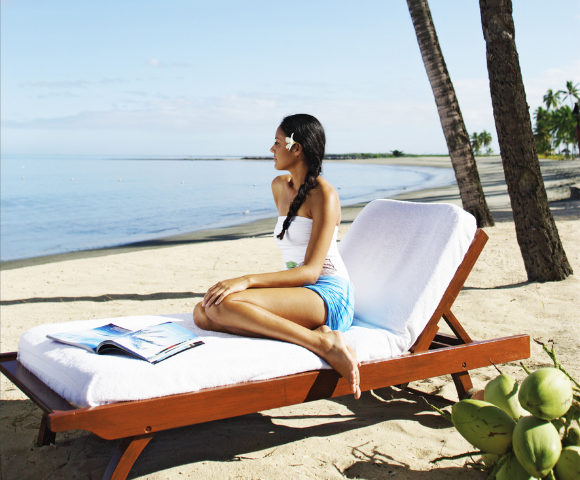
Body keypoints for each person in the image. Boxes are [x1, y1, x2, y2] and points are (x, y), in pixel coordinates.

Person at [193, 113, 360, 398]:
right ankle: (315, 337)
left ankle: (325, 344)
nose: (271, 149)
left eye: (277, 142)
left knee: (221, 307)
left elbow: (310, 271)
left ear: (297, 148)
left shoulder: (324, 195)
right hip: (299, 290)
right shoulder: (279, 186)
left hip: (328, 294)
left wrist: (246, 280)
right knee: (202, 313)